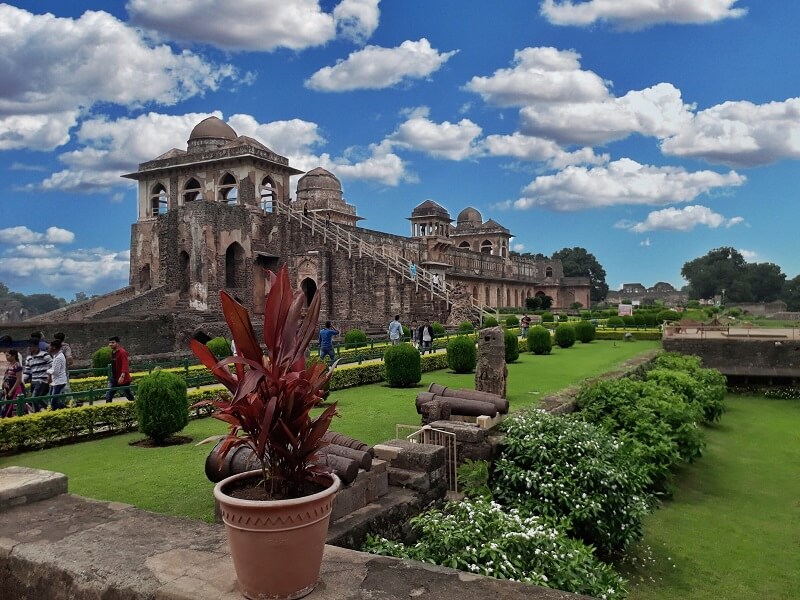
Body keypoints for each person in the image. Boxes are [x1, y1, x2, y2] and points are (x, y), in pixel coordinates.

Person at [23, 338, 52, 411]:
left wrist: (49, 376)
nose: (29, 348)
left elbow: (52, 365)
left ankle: (48, 409)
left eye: (31, 346)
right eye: (29, 346)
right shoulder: (29, 358)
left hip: (42, 380)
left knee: (34, 398)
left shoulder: (44, 355)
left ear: (36, 346)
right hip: (34, 381)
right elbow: (27, 372)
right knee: (36, 399)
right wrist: (22, 380)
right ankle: (42, 410)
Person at [105, 336, 134, 403]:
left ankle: (135, 404)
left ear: (117, 343)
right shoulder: (112, 352)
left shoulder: (122, 352)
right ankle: (108, 409)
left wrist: (122, 376)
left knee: (128, 395)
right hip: (114, 378)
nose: (111, 344)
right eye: (110, 343)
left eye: (113, 342)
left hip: (123, 379)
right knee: (108, 395)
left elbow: (125, 364)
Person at [2, 350, 25, 417]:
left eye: (8, 355)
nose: (6, 357)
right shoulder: (9, 365)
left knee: (15, 406)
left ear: (14, 356)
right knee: (8, 405)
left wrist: (11, 391)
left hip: (16, 389)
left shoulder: (17, 366)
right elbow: (6, 377)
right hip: (9, 388)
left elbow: (19, 380)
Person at [47, 339, 68, 410]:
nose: (48, 348)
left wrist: (47, 371)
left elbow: (56, 371)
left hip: (59, 382)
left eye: (50, 347)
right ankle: (68, 409)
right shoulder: (56, 356)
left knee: (54, 401)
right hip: (56, 381)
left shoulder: (59, 357)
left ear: (54, 347)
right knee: (53, 400)